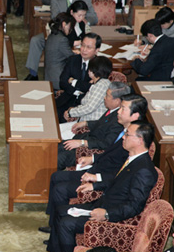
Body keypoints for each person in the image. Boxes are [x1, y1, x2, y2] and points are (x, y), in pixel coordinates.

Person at [46, 120, 158, 252]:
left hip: (111, 215)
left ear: (139, 140)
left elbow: (134, 206)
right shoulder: (133, 159)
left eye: (127, 135)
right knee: (60, 211)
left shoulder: (144, 170)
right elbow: (118, 180)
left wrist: (106, 214)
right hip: (102, 202)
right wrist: (94, 186)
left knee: (66, 223)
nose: (123, 137)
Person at [40, 90, 138, 235]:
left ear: (134, 115)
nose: (119, 111)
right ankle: (54, 224)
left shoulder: (132, 139)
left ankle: (57, 228)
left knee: (60, 188)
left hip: (102, 179)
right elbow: (108, 154)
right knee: (56, 177)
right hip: (96, 167)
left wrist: (96, 179)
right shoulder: (122, 127)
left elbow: (119, 170)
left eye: (123, 109)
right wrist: (92, 159)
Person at [58, 78, 125, 170]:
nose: (104, 98)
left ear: (117, 101)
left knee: (58, 158)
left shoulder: (119, 119)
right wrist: (85, 123)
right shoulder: (112, 110)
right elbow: (103, 123)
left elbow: (106, 143)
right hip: (85, 139)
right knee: (55, 146)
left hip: (89, 150)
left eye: (107, 95)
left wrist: (82, 143)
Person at [25, 0, 92, 81]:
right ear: (72, 12)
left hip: (66, 53)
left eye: (84, 15)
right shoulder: (66, 24)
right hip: (58, 71)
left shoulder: (81, 24)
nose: (82, 18)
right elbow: (68, 47)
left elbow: (83, 37)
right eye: (79, 15)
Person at [56, 32, 99, 122]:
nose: (84, 50)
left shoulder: (100, 66)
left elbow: (93, 88)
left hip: (86, 105)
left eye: (89, 47)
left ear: (97, 50)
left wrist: (73, 82)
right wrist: (77, 91)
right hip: (67, 98)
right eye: (83, 46)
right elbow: (63, 82)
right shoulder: (73, 60)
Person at [63, 56, 112, 122]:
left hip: (91, 124)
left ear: (93, 71)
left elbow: (89, 107)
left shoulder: (101, 85)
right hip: (86, 120)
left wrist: (70, 113)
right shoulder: (99, 83)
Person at [44, 12, 77, 90]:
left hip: (49, 75)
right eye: (70, 26)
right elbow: (72, 58)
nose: (70, 30)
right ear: (64, 24)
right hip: (57, 78)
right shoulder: (62, 39)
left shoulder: (52, 35)